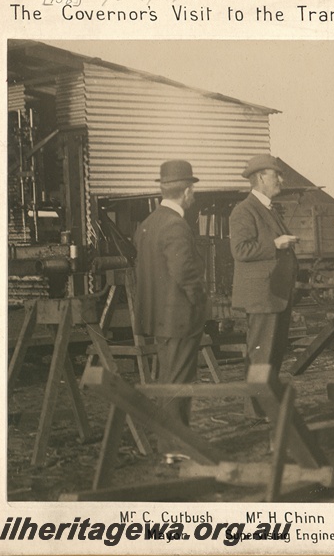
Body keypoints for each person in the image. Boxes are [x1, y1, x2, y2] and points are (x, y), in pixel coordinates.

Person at [133, 159, 208, 463]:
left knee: (168, 379)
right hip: (179, 318)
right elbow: (185, 273)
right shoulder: (176, 225)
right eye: (193, 191)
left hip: (160, 317)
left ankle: (171, 443)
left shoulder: (149, 223)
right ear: (188, 191)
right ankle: (174, 447)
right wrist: (200, 301)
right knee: (178, 382)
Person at [229, 154, 299, 418]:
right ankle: (256, 411)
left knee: (272, 355)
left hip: (275, 294)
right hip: (263, 296)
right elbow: (240, 250)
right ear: (260, 178)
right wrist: (275, 244)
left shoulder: (268, 208)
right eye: (276, 175)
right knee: (261, 355)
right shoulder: (244, 210)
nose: (281, 179)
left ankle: (265, 406)